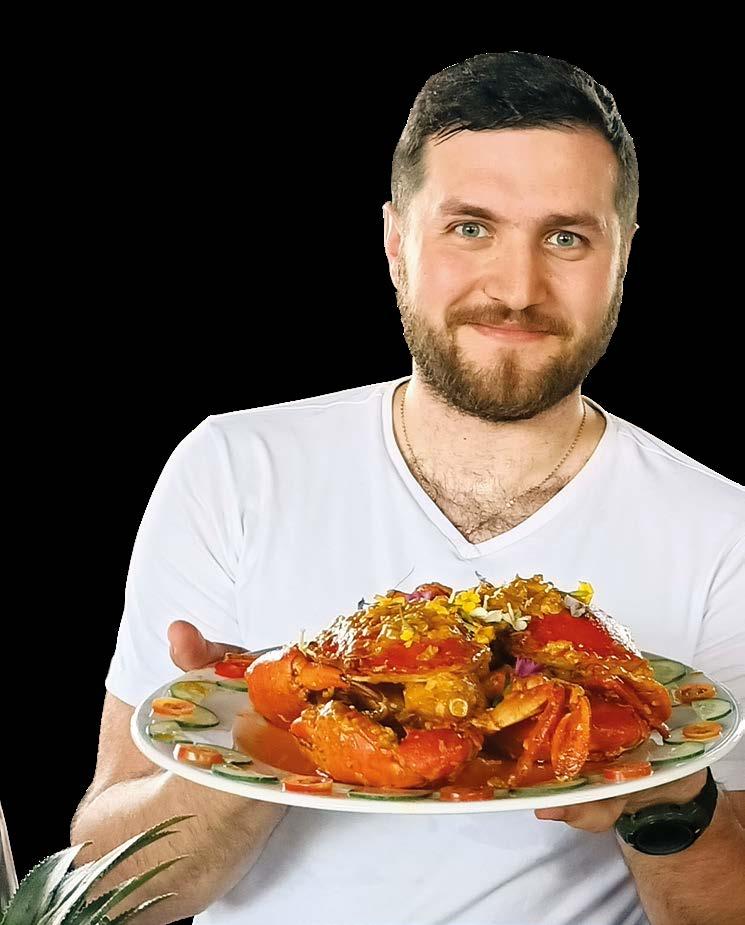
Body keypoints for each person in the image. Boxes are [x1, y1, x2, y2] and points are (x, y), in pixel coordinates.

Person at [71, 51, 745, 925]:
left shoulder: (721, 528)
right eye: (470, 227)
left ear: (622, 256)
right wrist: (261, 731)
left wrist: (673, 804)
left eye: (565, 238)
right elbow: (104, 895)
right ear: (396, 242)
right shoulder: (233, 468)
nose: (516, 288)